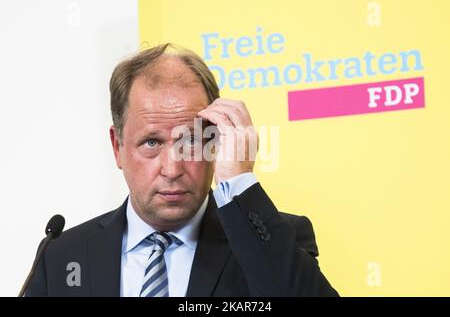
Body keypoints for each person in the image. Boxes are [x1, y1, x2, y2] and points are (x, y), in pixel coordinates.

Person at [26, 43, 338, 297]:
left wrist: (240, 182)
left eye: (191, 141)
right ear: (117, 146)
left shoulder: (275, 239)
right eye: (151, 142)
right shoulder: (61, 256)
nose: (172, 168)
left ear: (215, 141)